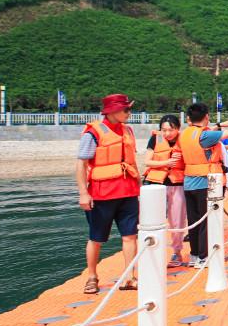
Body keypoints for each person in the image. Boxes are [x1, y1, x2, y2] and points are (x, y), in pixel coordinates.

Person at [76, 93, 140, 294]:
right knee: (96, 237)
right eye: (126, 109)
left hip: (128, 192)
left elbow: (132, 162)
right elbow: (81, 164)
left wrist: (139, 185)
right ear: (112, 111)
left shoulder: (128, 131)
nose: (130, 113)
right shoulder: (93, 133)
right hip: (102, 194)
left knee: (130, 236)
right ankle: (92, 277)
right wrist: (83, 193)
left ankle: (129, 276)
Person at [179, 103, 228, 267]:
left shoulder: (186, 134)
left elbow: (204, 132)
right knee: (206, 221)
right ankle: (204, 257)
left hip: (189, 183)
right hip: (205, 183)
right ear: (206, 116)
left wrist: (218, 125)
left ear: (189, 119)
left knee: (194, 221)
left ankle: (194, 255)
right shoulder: (205, 136)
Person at [143, 114, 186, 266]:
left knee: (177, 220)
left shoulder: (184, 139)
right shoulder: (155, 139)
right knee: (153, 219)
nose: (167, 133)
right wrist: (167, 162)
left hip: (177, 184)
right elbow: (146, 161)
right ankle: (153, 251)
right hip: (155, 184)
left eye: (171, 130)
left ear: (178, 128)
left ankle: (177, 252)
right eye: (164, 130)